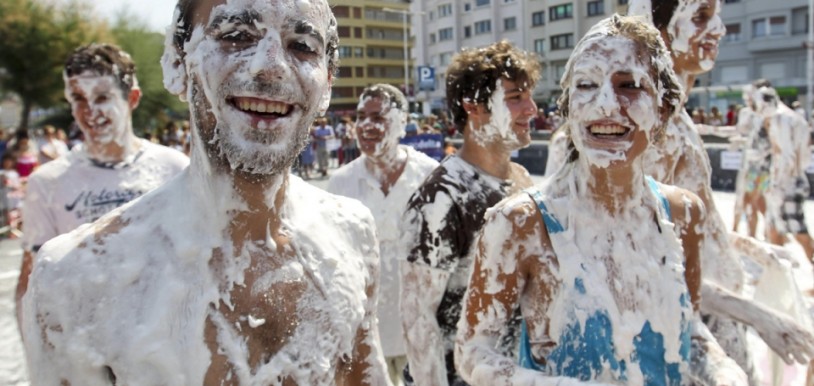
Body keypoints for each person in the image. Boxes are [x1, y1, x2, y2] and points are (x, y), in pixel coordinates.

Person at [21, 1, 390, 384]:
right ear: (177, 65)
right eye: (236, 37)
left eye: (302, 46)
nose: (272, 65)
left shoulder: (352, 233)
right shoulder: (76, 278)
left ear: (327, 82)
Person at [456, 15, 745, 385]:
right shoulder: (520, 223)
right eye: (587, 85)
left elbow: (687, 327)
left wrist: (723, 370)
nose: (606, 104)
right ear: (569, 107)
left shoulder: (683, 213)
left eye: (629, 85)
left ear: (663, 111)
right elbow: (474, 351)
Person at [627, 0, 814, 380]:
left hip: (715, 317)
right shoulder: (651, 130)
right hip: (689, 328)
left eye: (716, 15)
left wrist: (751, 247)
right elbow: (644, 259)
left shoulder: (677, 119)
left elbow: (696, 224)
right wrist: (753, 312)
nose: (719, 30)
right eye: (700, 17)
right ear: (658, 32)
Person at [15, 43, 190, 326]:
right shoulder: (47, 183)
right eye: (78, 98)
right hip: (83, 347)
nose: (90, 111)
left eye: (102, 97)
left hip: (163, 344)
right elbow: (31, 285)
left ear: (132, 98)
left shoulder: (174, 169)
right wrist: (39, 363)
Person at [400, 40, 539, 386]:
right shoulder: (440, 199)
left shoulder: (521, 180)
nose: (532, 108)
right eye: (515, 97)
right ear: (474, 106)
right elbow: (418, 320)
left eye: (528, 96)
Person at [328, 84, 439, 386]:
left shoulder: (431, 178)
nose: (366, 125)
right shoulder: (341, 184)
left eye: (378, 117)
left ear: (402, 123)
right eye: (361, 116)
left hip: (422, 335)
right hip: (363, 337)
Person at [756, 81, 814, 261]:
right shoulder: (779, 117)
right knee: (774, 232)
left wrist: (780, 186)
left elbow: (788, 157)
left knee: (799, 233)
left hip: (789, 183)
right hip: (782, 182)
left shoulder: (782, 119)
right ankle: (779, 279)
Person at [731, 85, 769, 237]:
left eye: (749, 96)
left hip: (761, 166)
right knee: (747, 200)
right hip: (748, 164)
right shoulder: (747, 113)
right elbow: (741, 131)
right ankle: (738, 232)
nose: (747, 99)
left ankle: (754, 235)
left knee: (753, 202)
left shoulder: (767, 115)